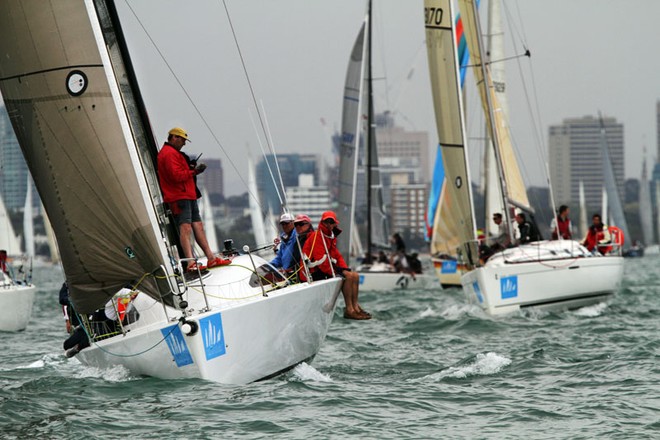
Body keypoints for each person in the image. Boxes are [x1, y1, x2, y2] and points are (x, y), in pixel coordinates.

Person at [157, 127, 229, 272]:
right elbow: (176, 176)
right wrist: (195, 171)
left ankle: (211, 258)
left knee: (198, 226)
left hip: (188, 195)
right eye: (183, 140)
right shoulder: (169, 153)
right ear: (174, 138)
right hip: (179, 196)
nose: (184, 143)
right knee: (186, 228)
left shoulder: (174, 153)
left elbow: (179, 173)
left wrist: (190, 168)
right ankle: (190, 263)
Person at [300, 211, 371, 320]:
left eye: (331, 222)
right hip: (313, 271)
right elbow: (320, 260)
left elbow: (337, 256)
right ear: (322, 222)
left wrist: (344, 268)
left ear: (335, 224)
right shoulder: (318, 236)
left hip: (323, 268)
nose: (329, 224)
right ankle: (349, 309)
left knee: (354, 275)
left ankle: (355, 307)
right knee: (348, 276)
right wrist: (334, 272)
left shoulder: (330, 236)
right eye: (326, 222)